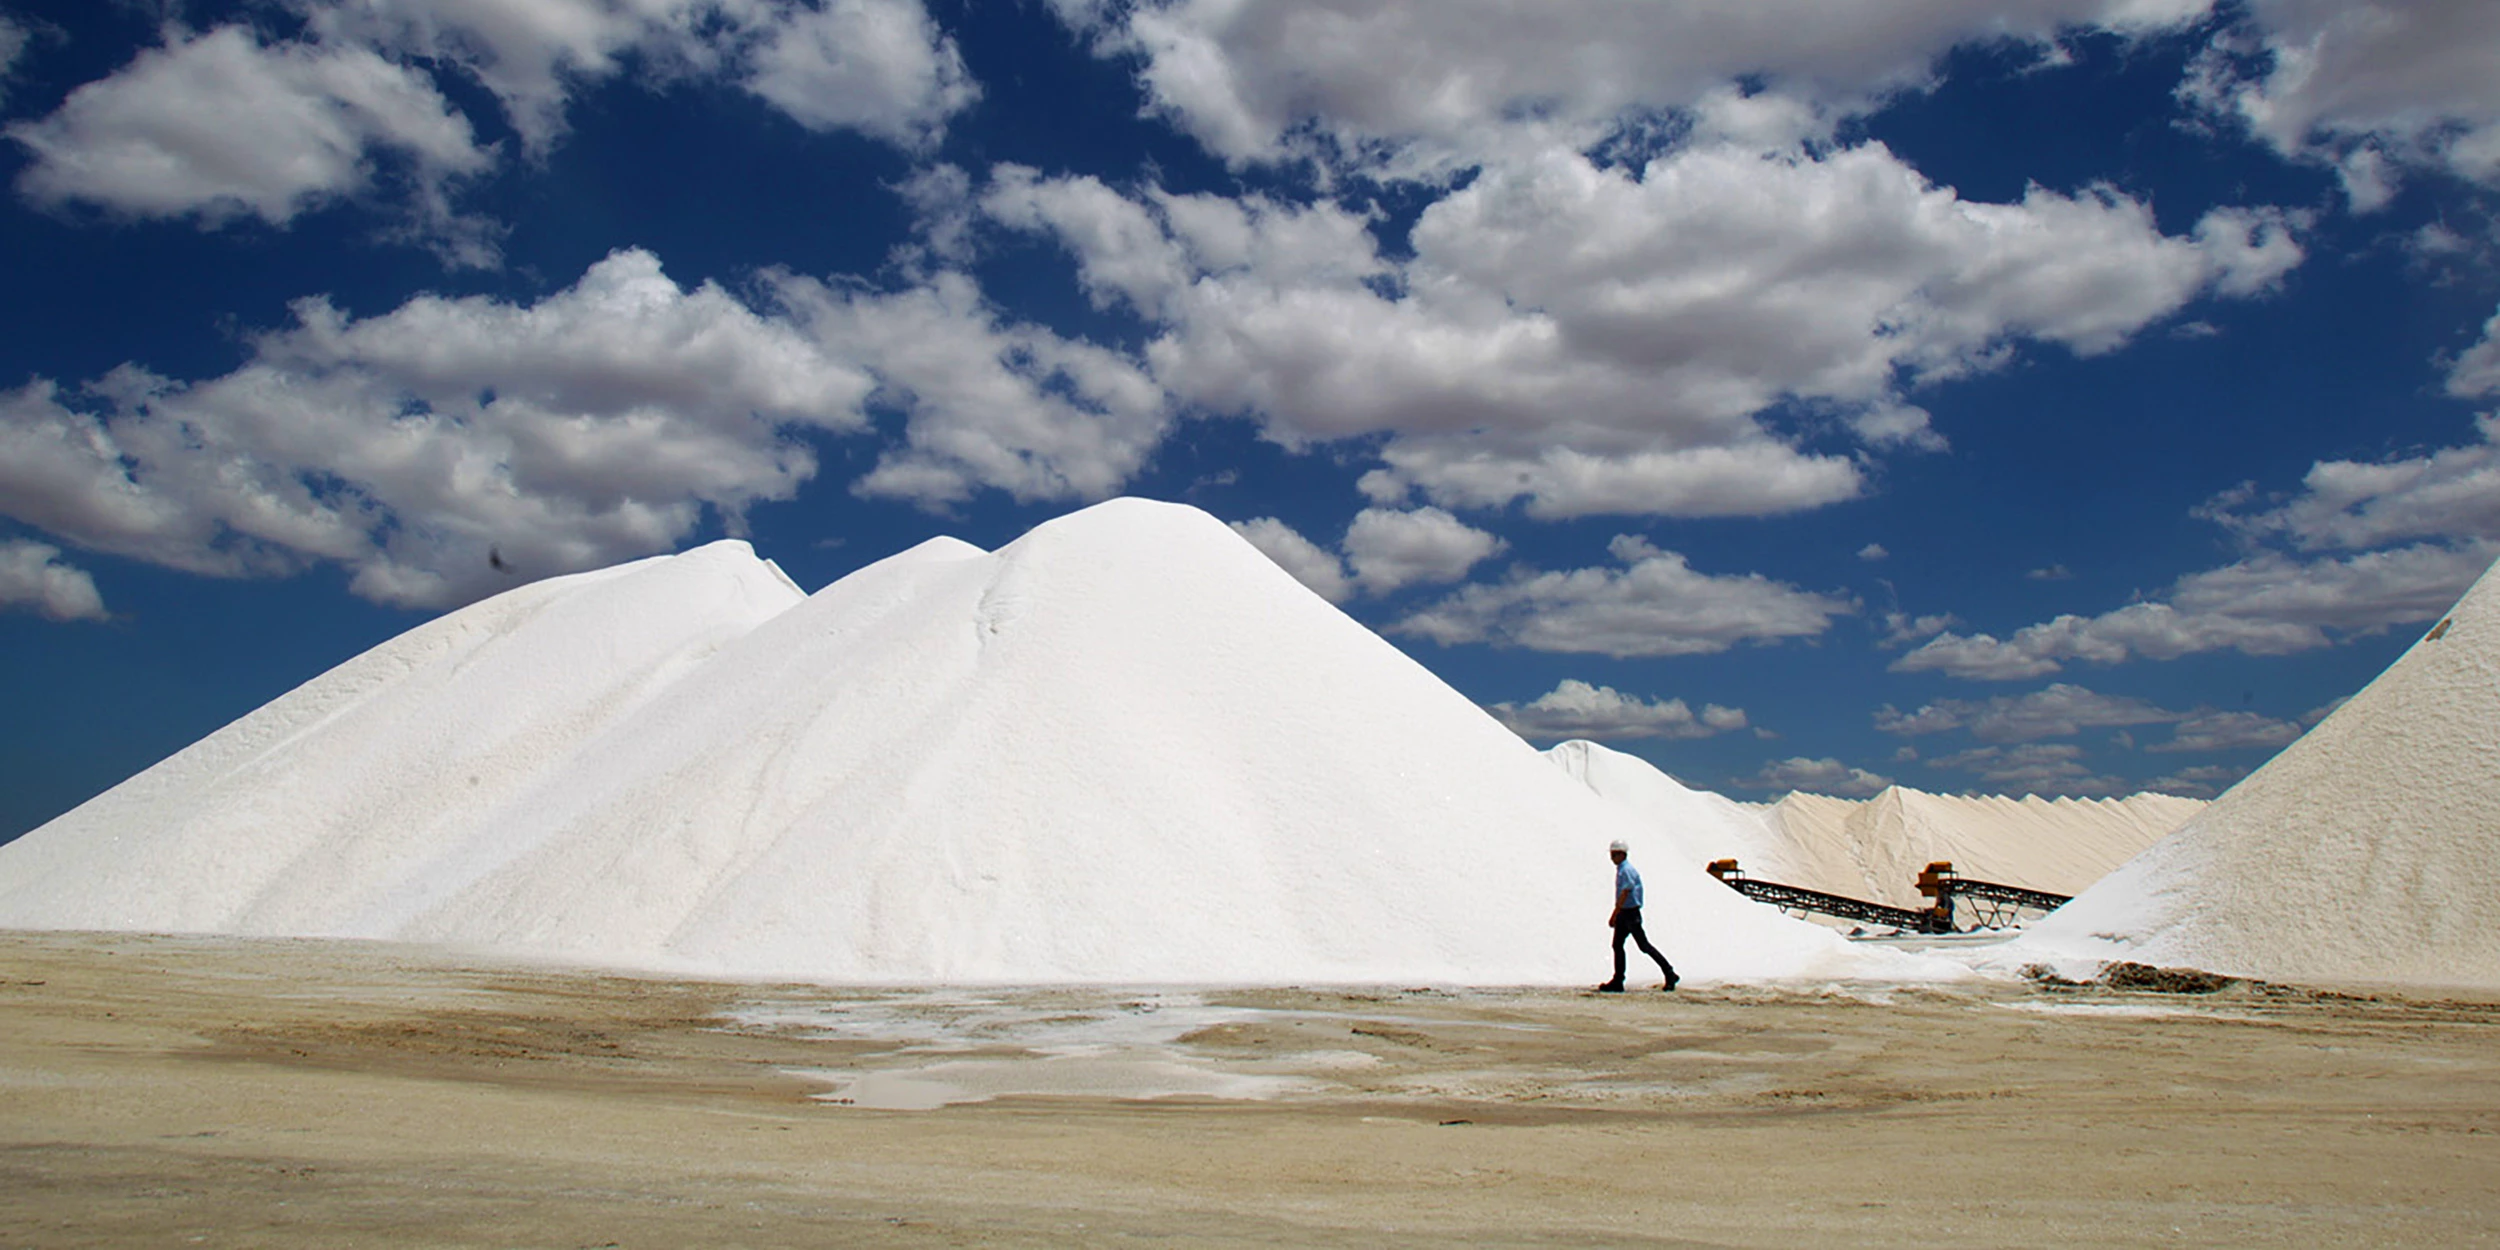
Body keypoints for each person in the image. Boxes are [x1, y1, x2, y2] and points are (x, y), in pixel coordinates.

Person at [1599, 839, 1678, 992]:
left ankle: (1669, 972)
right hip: (1626, 913)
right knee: (1618, 945)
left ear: (1622, 854)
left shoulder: (1626, 870)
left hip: (1629, 913)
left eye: (1614, 854)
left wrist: (1615, 913)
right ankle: (1618, 980)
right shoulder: (1623, 869)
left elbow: (1625, 892)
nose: (1612, 858)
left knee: (1643, 946)